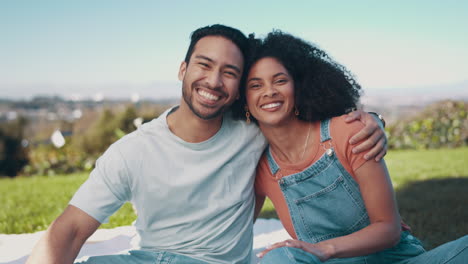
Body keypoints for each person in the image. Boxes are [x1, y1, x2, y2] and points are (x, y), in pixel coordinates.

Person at [26, 25, 387, 264]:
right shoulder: (131, 151)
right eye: (204, 65)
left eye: (230, 72)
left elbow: (307, 120)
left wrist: (371, 120)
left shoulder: (253, 132)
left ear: (238, 86)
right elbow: (70, 229)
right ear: (183, 70)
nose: (214, 81)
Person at [236, 31, 468, 263]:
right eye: (255, 85)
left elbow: (388, 228)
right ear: (244, 100)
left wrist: (325, 249)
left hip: (398, 260)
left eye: (280, 80)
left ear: (298, 87)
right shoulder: (262, 168)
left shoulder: (348, 132)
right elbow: (234, 235)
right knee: (277, 258)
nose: (269, 91)